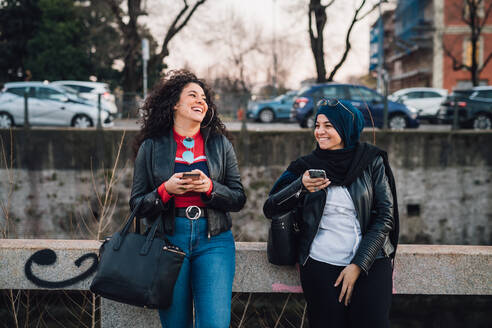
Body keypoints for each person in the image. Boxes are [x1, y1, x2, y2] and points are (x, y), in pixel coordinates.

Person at [263, 99, 399, 328]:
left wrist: (358, 264)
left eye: (328, 126)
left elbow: (386, 215)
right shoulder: (304, 166)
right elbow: (271, 208)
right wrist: (301, 186)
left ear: (347, 128)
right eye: (317, 125)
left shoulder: (371, 161)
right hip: (321, 264)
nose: (320, 132)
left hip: (371, 261)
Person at [130, 69, 246, 328]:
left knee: (215, 324)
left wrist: (209, 188)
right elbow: (137, 205)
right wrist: (166, 191)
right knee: (175, 324)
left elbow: (238, 198)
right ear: (174, 104)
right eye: (192, 95)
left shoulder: (220, 145)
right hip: (168, 240)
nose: (200, 101)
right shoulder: (151, 147)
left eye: (204, 98)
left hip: (214, 241)